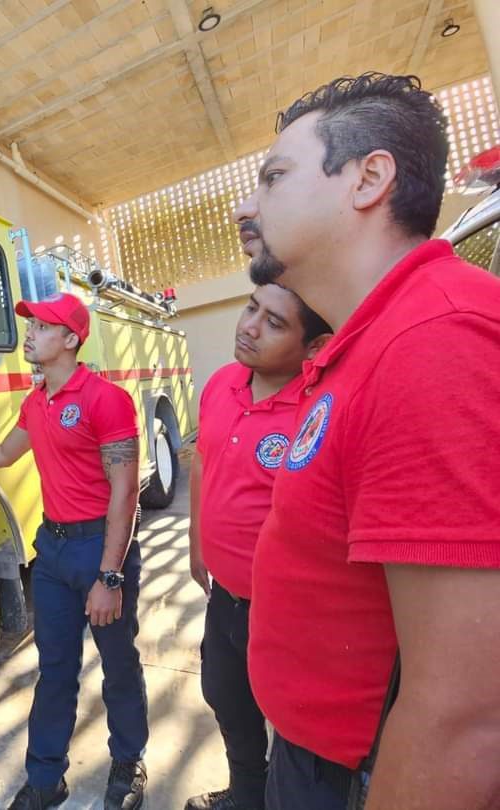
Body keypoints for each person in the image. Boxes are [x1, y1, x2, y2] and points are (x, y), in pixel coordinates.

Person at [234, 72, 500, 809]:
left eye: (275, 176)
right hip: (318, 757)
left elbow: (467, 719)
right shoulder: (369, 341)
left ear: (367, 178)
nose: (243, 206)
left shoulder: (434, 339)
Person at [0, 292, 148, 810]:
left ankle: (128, 763)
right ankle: (46, 780)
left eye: (42, 326)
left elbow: (125, 492)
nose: (30, 333)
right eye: (31, 326)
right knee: (56, 670)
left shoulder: (106, 399)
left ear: (70, 339)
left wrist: (109, 577)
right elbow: (2, 453)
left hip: (99, 552)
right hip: (55, 551)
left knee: (119, 666)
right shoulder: (37, 401)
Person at [185, 284, 331, 810]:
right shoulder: (223, 383)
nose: (248, 326)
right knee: (226, 698)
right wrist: (197, 541)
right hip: (224, 596)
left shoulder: (317, 411)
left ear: (312, 348)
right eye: (252, 309)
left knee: (295, 732)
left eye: (274, 323)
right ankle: (247, 794)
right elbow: (202, 460)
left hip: (285, 613)